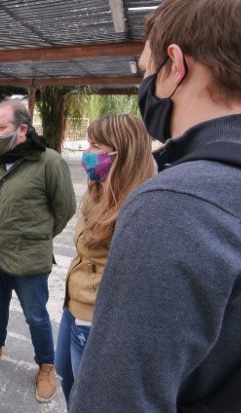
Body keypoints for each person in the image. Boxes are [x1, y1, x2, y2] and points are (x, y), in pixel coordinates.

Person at [69, 0, 241, 411]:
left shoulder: (175, 205)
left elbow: (114, 399)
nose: (145, 87)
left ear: (175, 65)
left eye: (147, 70)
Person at [0, 99, 76, 403]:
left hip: (29, 260)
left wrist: (39, 236)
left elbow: (65, 208)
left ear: (23, 129)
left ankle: (46, 364)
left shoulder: (49, 162)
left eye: (1, 127)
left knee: (36, 317)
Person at [55, 114, 156, 403]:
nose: (87, 153)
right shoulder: (99, 190)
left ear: (122, 151)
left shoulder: (140, 205)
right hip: (72, 305)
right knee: (66, 376)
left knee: (87, 398)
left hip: (94, 319)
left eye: (95, 144)